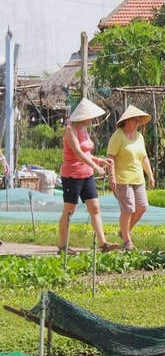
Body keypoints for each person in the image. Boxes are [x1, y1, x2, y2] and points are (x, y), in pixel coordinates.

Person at [58, 98, 119, 255]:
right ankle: (63, 246)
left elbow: (86, 153)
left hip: (87, 174)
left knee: (95, 207)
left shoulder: (84, 129)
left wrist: (98, 161)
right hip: (72, 175)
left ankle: (103, 243)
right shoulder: (70, 129)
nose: (92, 119)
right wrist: (96, 167)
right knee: (69, 210)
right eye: (90, 116)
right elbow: (78, 153)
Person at [107, 105, 155, 251]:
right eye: (135, 120)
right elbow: (110, 157)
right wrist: (112, 176)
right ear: (127, 121)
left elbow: (144, 157)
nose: (137, 123)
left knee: (142, 207)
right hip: (123, 179)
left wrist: (150, 175)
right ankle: (127, 242)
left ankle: (124, 232)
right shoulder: (118, 136)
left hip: (138, 178)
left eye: (139, 121)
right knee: (128, 210)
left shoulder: (139, 137)